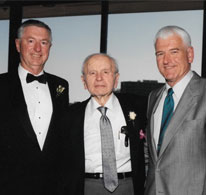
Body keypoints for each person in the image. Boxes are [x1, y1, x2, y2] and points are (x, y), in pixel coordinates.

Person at [61, 53, 147, 195]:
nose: (99, 78)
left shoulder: (137, 105)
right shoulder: (70, 116)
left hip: (128, 187)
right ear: (84, 81)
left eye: (105, 72)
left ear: (116, 79)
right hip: (86, 187)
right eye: (92, 73)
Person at [0, 19, 69, 194]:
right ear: (17, 45)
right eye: (31, 41)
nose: (38, 49)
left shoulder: (61, 86)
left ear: (50, 48)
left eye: (43, 42)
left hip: (53, 187)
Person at [144, 25, 206, 195]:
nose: (166, 60)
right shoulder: (153, 97)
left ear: (190, 54)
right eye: (160, 54)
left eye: (174, 52)